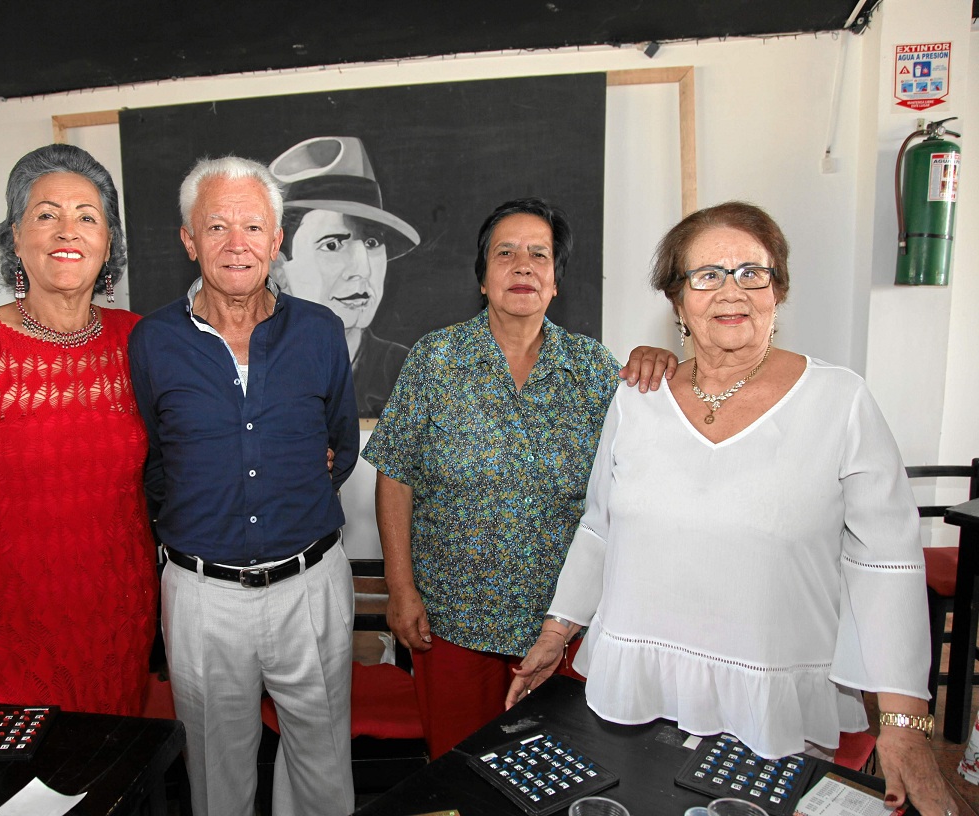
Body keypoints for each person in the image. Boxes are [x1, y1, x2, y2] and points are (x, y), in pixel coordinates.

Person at [507, 202, 957, 816]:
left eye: (753, 272)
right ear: (677, 300)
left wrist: (904, 720)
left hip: (771, 696)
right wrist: (558, 632)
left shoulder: (838, 400)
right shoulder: (637, 398)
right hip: (637, 681)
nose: (731, 291)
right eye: (707, 274)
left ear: (779, 290)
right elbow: (600, 526)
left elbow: (887, 564)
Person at [362, 198, 675, 759]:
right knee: (461, 777)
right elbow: (396, 476)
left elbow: (647, 470)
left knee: (556, 777)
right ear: (483, 277)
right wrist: (401, 589)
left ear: (556, 281)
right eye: (505, 254)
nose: (523, 266)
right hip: (453, 623)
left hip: (564, 626)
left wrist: (672, 361)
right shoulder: (435, 360)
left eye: (539, 255)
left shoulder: (594, 370)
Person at [128, 156, 358, 816]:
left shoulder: (319, 331)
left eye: (254, 226)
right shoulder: (153, 342)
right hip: (202, 599)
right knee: (216, 774)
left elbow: (340, 447)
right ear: (188, 239)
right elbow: (154, 465)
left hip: (309, 588)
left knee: (322, 768)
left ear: (277, 239)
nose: (237, 244)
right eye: (218, 226)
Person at [0, 144, 156, 715]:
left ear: (108, 244)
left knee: (112, 775)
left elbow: (197, 436)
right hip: (10, 620)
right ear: (15, 238)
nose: (67, 231)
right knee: (24, 791)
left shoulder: (140, 340)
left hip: (122, 608)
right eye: (46, 214)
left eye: (87, 217)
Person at [270, 136, 420, 417]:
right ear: (279, 270)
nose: (362, 269)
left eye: (373, 242)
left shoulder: (412, 375)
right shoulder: (251, 374)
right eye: (332, 244)